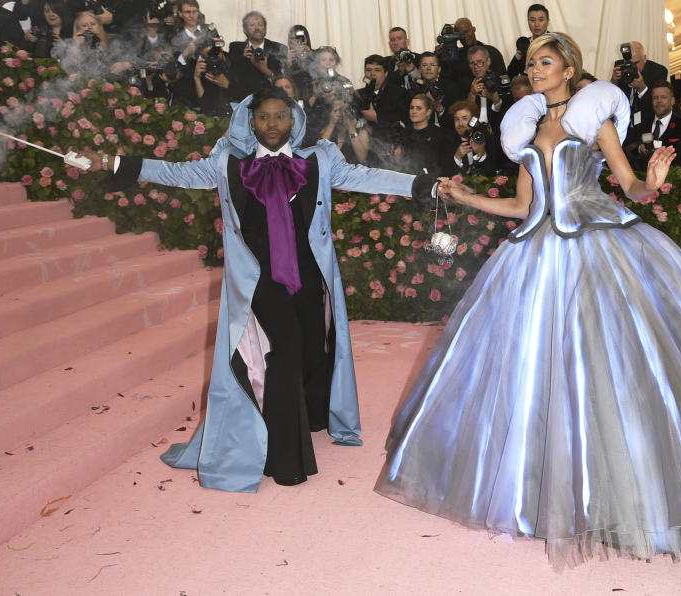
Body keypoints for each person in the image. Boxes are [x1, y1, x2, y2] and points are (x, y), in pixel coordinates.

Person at [376, 32, 681, 569]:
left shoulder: (595, 117)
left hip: (594, 247)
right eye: (532, 63)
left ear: (568, 67)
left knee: (620, 369)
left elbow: (627, 184)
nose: (535, 70)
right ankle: (544, 493)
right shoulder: (525, 127)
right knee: (537, 373)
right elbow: (521, 204)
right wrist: (467, 196)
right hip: (532, 256)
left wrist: (650, 183)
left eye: (546, 62)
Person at [82, 86, 435, 491]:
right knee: (282, 350)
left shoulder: (318, 159)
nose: (272, 124)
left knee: (310, 348)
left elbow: (365, 176)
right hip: (257, 280)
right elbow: (176, 172)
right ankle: (286, 460)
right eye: (263, 116)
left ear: (294, 120)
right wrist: (115, 163)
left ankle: (314, 417)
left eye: (280, 116)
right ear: (250, 120)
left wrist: (423, 187)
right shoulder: (228, 163)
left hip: (307, 275)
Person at [623, 80, 681, 173]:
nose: (659, 100)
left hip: (672, 182)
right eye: (655, 98)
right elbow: (627, 148)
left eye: (663, 97)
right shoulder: (641, 124)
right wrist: (639, 149)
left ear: (672, 101)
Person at [227, 11, 288, 103]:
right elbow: (232, 78)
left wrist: (265, 70)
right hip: (244, 100)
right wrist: (242, 59)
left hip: (272, 101)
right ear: (245, 30)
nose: (257, 28)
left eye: (260, 25)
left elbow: (284, 81)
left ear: (265, 29)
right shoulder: (236, 48)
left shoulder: (278, 48)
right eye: (252, 25)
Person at [610, 40, 667, 131]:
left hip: (647, 125)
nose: (632, 67)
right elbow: (612, 99)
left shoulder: (658, 71)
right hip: (623, 125)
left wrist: (642, 88)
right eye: (628, 63)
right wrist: (613, 82)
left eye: (636, 63)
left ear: (645, 58)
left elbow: (657, 105)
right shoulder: (620, 66)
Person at [439, 99, 499, 176]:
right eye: (457, 119)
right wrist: (457, 157)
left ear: (474, 120)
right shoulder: (447, 141)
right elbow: (445, 173)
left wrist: (481, 153)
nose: (460, 123)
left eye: (464, 118)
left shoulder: (486, 138)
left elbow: (493, 172)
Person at [393, 94, 444, 174]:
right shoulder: (403, 133)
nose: (414, 111)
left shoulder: (437, 135)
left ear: (428, 112)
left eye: (419, 108)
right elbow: (398, 163)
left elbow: (438, 165)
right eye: (412, 108)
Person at [506, 3, 549, 78]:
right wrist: (519, 53)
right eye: (532, 20)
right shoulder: (525, 44)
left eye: (541, 20)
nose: (536, 24)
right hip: (529, 86)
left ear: (547, 22)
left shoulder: (556, 42)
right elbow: (510, 74)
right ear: (528, 21)